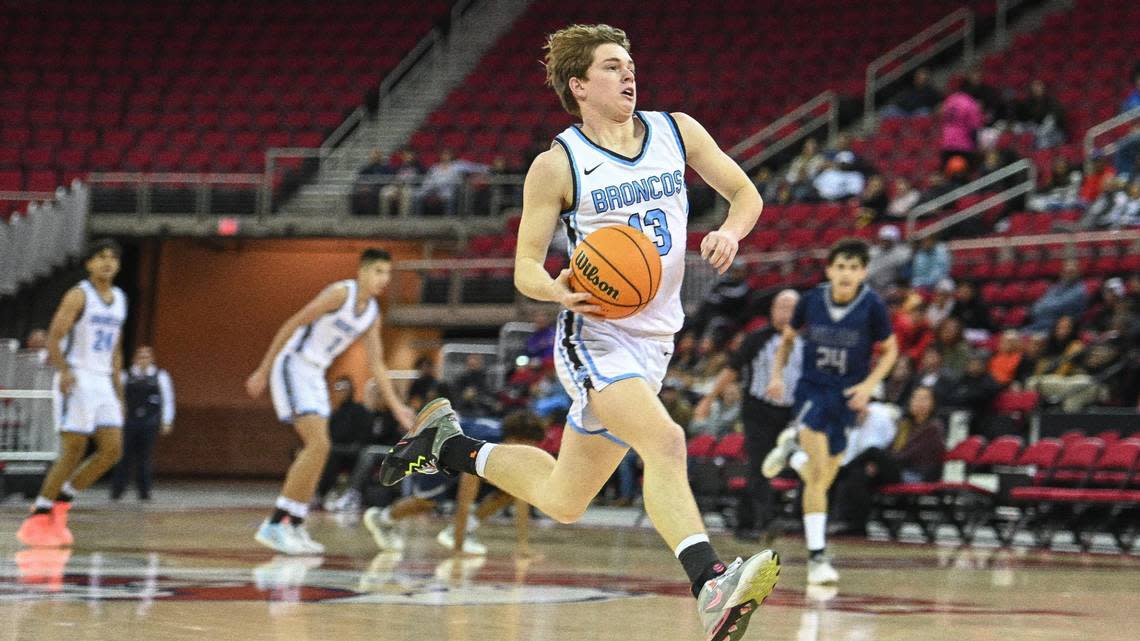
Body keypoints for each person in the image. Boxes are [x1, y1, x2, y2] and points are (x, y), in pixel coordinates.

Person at [377, 24, 778, 641]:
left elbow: (744, 193)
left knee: (565, 499)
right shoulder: (557, 164)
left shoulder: (679, 131)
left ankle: (445, 446)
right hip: (595, 335)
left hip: (656, 339)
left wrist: (731, 231)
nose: (628, 75)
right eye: (613, 67)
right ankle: (710, 582)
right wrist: (558, 290)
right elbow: (525, 268)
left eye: (630, 64)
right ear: (579, 85)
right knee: (667, 442)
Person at [245, 248, 415, 555]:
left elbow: (378, 365)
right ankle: (275, 524)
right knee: (318, 444)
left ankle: (293, 524)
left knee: (322, 451)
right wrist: (263, 368)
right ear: (362, 271)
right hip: (293, 363)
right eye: (378, 271)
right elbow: (293, 323)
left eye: (388, 273)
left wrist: (397, 407)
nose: (384, 279)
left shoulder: (372, 314)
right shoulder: (340, 294)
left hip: (316, 374)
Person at [763, 238, 898, 585]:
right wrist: (777, 375)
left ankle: (793, 455)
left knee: (822, 478)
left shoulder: (872, 306)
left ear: (864, 273)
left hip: (846, 396)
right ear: (830, 270)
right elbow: (788, 340)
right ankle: (817, 556)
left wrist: (869, 386)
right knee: (821, 473)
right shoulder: (810, 301)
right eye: (840, 267)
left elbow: (891, 352)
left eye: (854, 268)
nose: (846, 274)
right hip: (813, 390)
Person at [17, 240, 128, 547]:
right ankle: (38, 515)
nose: (107, 263)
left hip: (103, 379)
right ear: (90, 263)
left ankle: (62, 502)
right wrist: (64, 370)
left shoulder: (119, 298)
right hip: (78, 375)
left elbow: (116, 349)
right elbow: (55, 334)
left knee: (112, 451)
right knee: (74, 449)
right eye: (101, 257)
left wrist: (120, 392)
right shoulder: (79, 294)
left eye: (113, 258)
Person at [696, 289, 803, 539]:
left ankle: (792, 519)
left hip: (793, 413)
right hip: (759, 411)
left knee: (801, 465)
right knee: (759, 466)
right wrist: (709, 399)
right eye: (781, 307)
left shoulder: (806, 341)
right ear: (772, 311)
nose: (786, 313)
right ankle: (757, 523)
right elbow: (732, 369)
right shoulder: (757, 338)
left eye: (791, 308)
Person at [364, 411, 546, 555]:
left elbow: (522, 493)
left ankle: (461, 531)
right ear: (517, 439)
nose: (533, 450)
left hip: (452, 447)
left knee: (510, 492)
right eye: (531, 444)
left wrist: (523, 546)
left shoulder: (506, 443)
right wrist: (458, 548)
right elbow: (465, 496)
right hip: (433, 449)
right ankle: (381, 519)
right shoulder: (484, 446)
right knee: (426, 503)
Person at [111, 345, 175, 501]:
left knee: (145, 457)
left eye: (147, 356)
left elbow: (168, 399)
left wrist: (166, 420)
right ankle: (117, 490)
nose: (143, 359)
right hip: (129, 421)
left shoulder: (160, 376)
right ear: (135, 359)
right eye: (140, 356)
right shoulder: (126, 376)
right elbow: (117, 398)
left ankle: (144, 492)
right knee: (123, 456)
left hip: (149, 422)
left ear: (152, 359)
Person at [314, 377, 376, 506]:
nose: (340, 392)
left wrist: (355, 444)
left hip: (355, 451)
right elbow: (329, 436)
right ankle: (318, 493)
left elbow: (365, 435)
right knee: (326, 453)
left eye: (343, 388)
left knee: (333, 453)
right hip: (338, 450)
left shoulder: (360, 410)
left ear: (351, 390)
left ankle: (323, 493)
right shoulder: (334, 414)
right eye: (338, 389)